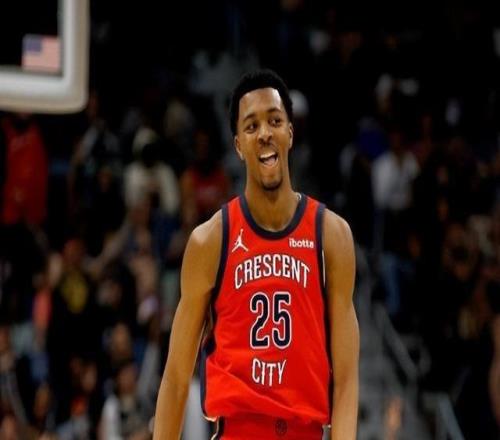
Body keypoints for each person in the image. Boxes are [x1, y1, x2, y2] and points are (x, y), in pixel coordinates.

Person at [153, 70, 359, 439]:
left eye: (275, 121)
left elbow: (345, 379)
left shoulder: (332, 235)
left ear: (290, 133)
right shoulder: (210, 241)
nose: (264, 133)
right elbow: (176, 377)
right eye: (251, 126)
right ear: (238, 145)